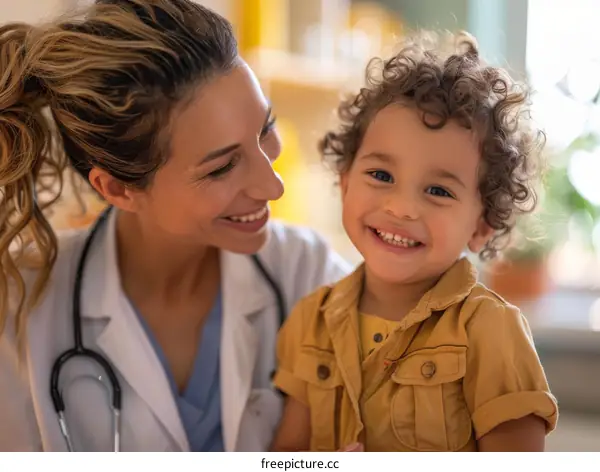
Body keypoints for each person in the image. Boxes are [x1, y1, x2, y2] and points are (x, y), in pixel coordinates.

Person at [0, 0, 351, 452]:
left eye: (265, 128)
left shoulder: (306, 273)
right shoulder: (20, 311)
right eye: (222, 167)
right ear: (119, 189)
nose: (273, 186)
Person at [270, 31, 559, 452]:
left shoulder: (490, 331)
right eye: (381, 176)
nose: (402, 208)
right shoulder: (310, 321)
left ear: (481, 226)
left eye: (439, 191)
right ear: (345, 182)